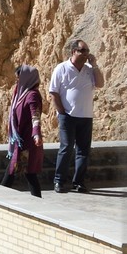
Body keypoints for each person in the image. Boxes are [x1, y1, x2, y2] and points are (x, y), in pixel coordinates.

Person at [48, 38, 105, 193]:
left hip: (86, 116)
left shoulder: (89, 69)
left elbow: (100, 84)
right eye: (83, 51)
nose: (86, 53)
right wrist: (62, 112)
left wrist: (94, 66)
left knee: (83, 151)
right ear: (74, 52)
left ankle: (78, 182)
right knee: (66, 148)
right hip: (68, 116)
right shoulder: (61, 68)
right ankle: (59, 181)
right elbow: (53, 92)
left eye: (87, 51)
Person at [0, 65, 44, 197]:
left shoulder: (32, 96)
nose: (17, 82)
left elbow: (35, 115)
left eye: (19, 79)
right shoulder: (21, 94)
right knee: (25, 172)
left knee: (22, 172)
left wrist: (36, 133)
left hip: (28, 142)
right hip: (22, 141)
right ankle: (37, 201)